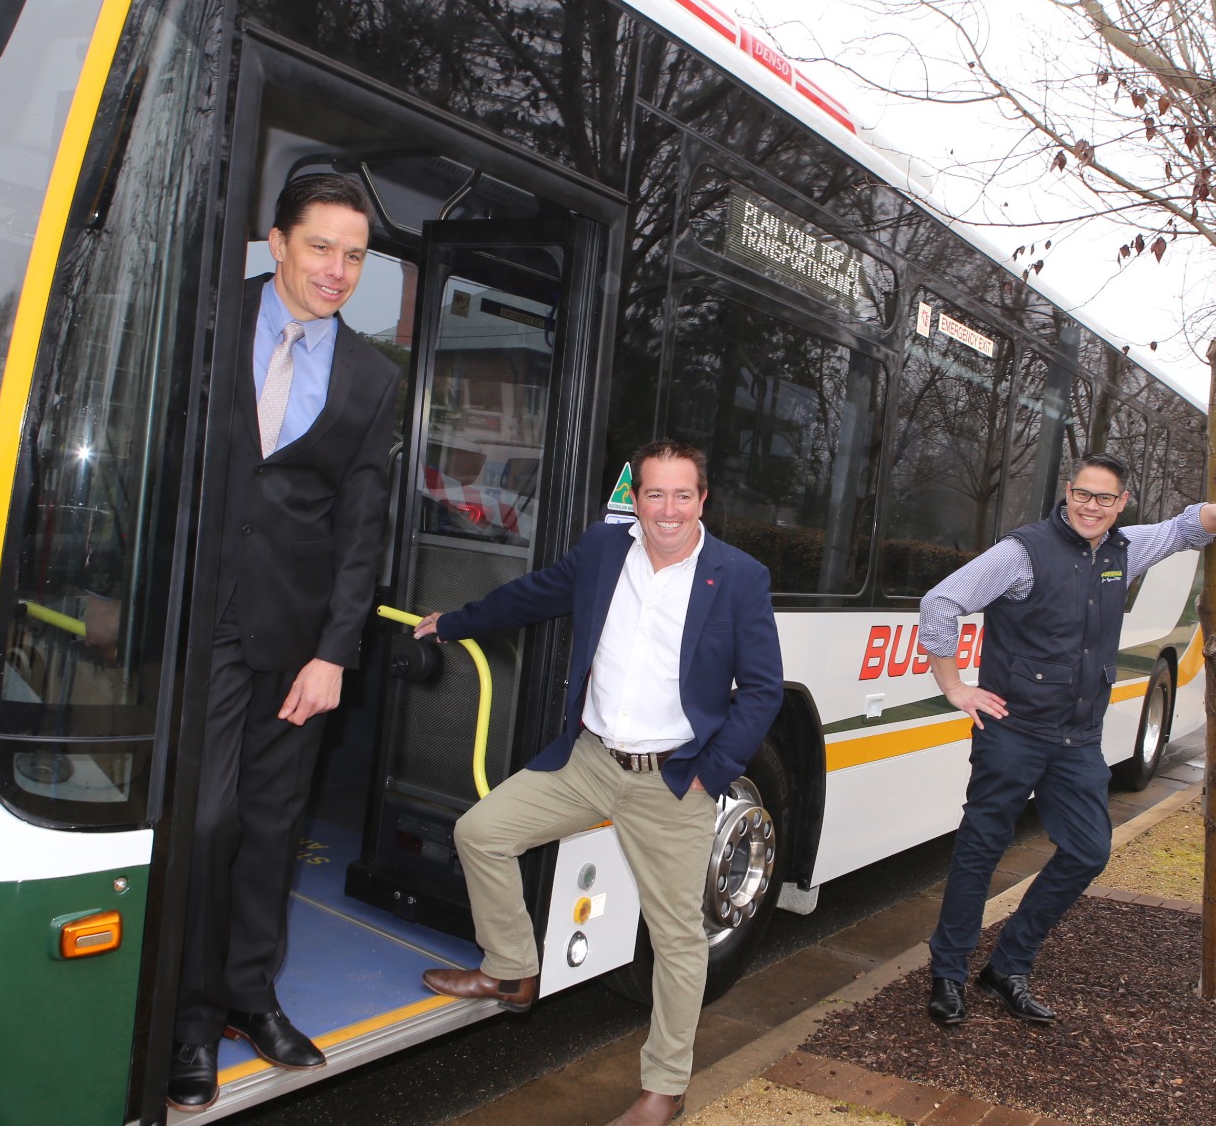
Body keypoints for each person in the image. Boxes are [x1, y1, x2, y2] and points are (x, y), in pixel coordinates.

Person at [411, 440, 783, 1126]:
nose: (666, 510)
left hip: (670, 780)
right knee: (481, 832)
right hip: (588, 759)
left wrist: (710, 774)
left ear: (702, 500)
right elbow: (534, 594)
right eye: (653, 494)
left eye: (681, 495)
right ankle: (513, 968)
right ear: (635, 498)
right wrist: (455, 623)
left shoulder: (737, 576)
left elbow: (761, 692)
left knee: (675, 938)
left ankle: (664, 1089)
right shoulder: (606, 550)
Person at [168, 174, 400, 1111]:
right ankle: (187, 1018)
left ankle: (250, 999)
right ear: (277, 244)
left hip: (299, 642)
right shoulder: (204, 319)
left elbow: (362, 529)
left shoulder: (374, 377)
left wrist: (336, 652)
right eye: (321, 248)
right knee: (208, 821)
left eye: (354, 255)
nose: (337, 270)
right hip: (196, 627)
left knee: (271, 829)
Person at [922, 454, 1216, 1028]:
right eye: (1082, 494)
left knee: (1088, 850)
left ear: (1121, 503)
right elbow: (942, 602)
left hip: (1077, 738)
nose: (1091, 506)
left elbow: (1181, 529)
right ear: (1068, 492)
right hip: (1014, 731)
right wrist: (955, 686)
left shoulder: (1123, 550)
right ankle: (948, 974)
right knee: (980, 851)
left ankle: (1008, 966)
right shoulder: (1023, 552)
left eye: (1104, 498)